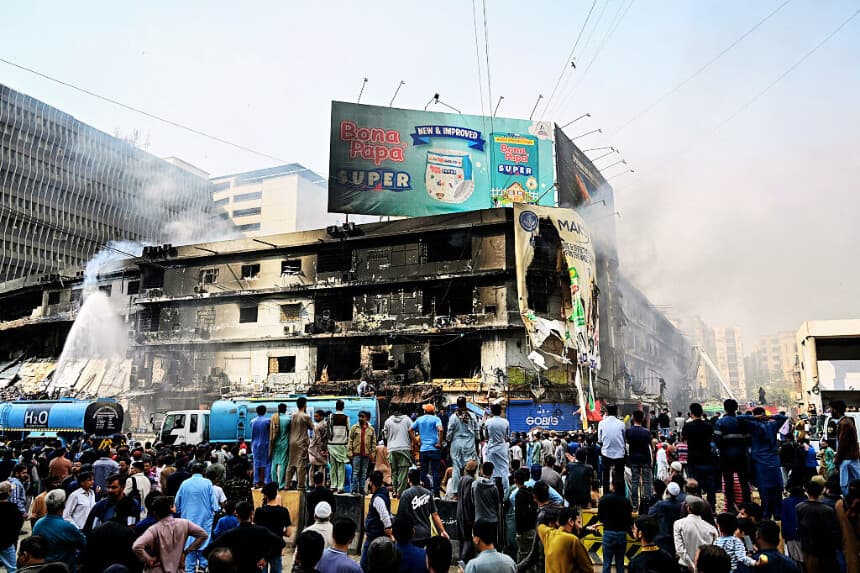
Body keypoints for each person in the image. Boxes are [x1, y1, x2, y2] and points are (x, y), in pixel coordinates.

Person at [132, 495, 209, 573]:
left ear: (155, 513)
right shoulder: (184, 523)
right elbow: (203, 535)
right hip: (178, 568)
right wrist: (186, 552)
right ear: (170, 509)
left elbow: (137, 546)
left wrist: (149, 560)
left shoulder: (154, 530)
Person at [207, 501, 285, 573]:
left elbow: (208, 551)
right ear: (252, 514)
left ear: (236, 515)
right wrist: (266, 558)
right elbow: (280, 543)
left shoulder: (230, 534)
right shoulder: (261, 531)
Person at [739, 407, 786, 520]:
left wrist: (752, 417)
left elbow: (739, 418)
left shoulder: (753, 426)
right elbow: (784, 417)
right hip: (773, 462)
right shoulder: (773, 426)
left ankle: (766, 515)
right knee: (777, 489)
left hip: (760, 463)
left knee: (764, 491)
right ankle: (778, 515)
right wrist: (771, 416)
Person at [175, 463, 220, 573]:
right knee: (204, 543)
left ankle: (190, 569)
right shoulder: (207, 483)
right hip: (205, 520)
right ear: (203, 472)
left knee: (188, 546)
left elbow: (177, 503)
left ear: (191, 471)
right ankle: (202, 568)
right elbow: (214, 504)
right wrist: (217, 510)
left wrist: (181, 510)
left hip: (187, 520)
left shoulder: (184, 484)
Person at [31, 490, 86, 571]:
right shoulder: (67, 527)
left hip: (44, 568)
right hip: (63, 568)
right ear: (62, 507)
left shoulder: (38, 523)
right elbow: (83, 543)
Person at [713, 399, 750, 513]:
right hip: (741, 456)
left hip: (726, 456)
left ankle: (730, 507)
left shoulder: (720, 422)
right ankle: (747, 506)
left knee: (729, 483)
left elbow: (717, 440)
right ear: (736, 408)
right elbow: (748, 438)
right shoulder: (742, 422)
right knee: (744, 482)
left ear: (725, 408)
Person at [796, 478, 841, 572]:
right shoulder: (827, 509)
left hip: (809, 549)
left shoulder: (799, 507)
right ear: (821, 492)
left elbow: (799, 529)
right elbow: (831, 530)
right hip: (826, 549)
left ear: (807, 492)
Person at [397, 469, 448, 548]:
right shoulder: (428, 493)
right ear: (419, 479)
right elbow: (435, 514)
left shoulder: (406, 494)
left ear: (409, 479)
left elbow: (401, 516)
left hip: (412, 535)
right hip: (426, 533)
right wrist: (443, 531)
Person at [536, 506, 592, 573]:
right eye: (579, 522)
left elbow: (540, 526)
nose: (580, 527)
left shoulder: (548, 534)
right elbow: (588, 569)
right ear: (571, 521)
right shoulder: (573, 540)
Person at [254, 482, 293, 573]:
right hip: (276, 549)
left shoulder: (259, 511)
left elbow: (255, 531)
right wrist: (279, 532)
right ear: (276, 495)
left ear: (265, 496)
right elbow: (289, 533)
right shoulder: (283, 511)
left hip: (262, 550)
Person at [683, 403, 716, 508]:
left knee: (694, 484)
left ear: (691, 414)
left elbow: (683, 439)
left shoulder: (688, 426)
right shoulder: (708, 426)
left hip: (693, 458)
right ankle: (711, 506)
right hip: (707, 458)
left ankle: (697, 506)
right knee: (710, 484)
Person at [673, 496, 718, 572]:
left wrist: (692, 566)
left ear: (688, 508)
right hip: (704, 568)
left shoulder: (679, 524)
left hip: (686, 567)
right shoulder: (711, 528)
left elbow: (680, 549)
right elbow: (714, 550)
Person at [447, 397, 479, 500]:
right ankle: (471, 491)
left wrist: (448, 441)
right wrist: (476, 441)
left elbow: (449, 433)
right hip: (469, 443)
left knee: (456, 469)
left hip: (456, 444)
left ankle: (456, 493)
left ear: (457, 404)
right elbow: (477, 431)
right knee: (471, 468)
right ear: (466, 404)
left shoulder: (453, 417)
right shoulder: (472, 416)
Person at [597, 479, 632, 573]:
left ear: (613, 486)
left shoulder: (604, 499)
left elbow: (600, 517)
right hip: (621, 534)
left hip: (608, 533)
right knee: (620, 563)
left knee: (607, 563)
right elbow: (629, 520)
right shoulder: (626, 501)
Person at [361, 471, 393, 571]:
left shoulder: (378, 498)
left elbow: (384, 515)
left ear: (371, 482)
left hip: (374, 534)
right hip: (375, 533)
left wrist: (388, 528)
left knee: (364, 562)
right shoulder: (383, 492)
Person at [412, 405, 444, 497]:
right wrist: (439, 443)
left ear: (425, 411)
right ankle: (437, 494)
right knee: (435, 472)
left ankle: (423, 492)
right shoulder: (436, 419)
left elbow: (410, 430)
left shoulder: (419, 419)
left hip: (423, 449)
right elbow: (441, 430)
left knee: (423, 472)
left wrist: (416, 442)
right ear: (433, 411)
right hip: (434, 449)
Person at [382, 407, 413, 497]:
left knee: (394, 471)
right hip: (404, 447)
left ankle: (394, 491)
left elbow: (385, 436)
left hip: (392, 448)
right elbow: (412, 432)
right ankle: (400, 492)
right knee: (403, 472)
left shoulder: (388, 421)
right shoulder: (407, 420)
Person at [830, 400, 860, 494]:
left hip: (847, 459)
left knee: (844, 485)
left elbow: (842, 444)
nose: (830, 411)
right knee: (854, 482)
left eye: (831, 409)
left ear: (835, 410)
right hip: (849, 457)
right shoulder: (846, 422)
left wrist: (837, 460)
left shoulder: (844, 424)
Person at [625, 410, 653, 509]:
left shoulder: (629, 431)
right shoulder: (646, 432)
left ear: (633, 418)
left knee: (635, 481)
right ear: (643, 419)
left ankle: (635, 504)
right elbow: (650, 445)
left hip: (633, 459)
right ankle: (647, 503)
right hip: (645, 458)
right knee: (647, 481)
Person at [482, 404, 511, 498]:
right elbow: (506, 437)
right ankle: (506, 494)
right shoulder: (505, 422)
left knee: (492, 470)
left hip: (491, 448)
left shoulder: (488, 422)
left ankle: (492, 492)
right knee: (504, 470)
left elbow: (486, 437)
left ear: (492, 411)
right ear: (501, 411)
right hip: (502, 448)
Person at [597, 404, 625, 493]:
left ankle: (606, 494)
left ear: (607, 412)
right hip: (619, 454)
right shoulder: (621, 424)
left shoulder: (601, 423)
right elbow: (624, 439)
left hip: (606, 452)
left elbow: (600, 439)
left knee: (605, 475)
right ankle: (620, 494)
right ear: (616, 412)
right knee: (619, 475)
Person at [286, 397, 314, 490]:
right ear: (305, 405)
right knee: (301, 464)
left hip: (292, 442)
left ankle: (287, 484)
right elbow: (312, 427)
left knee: (291, 464)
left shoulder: (293, 416)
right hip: (301, 442)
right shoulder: (306, 416)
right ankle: (300, 485)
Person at [348, 411, 376, 496]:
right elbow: (350, 440)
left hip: (366, 454)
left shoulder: (371, 429)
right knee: (356, 472)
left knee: (364, 473)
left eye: (362, 416)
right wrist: (350, 452)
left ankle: (362, 489)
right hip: (356, 453)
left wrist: (372, 454)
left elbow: (373, 443)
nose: (360, 418)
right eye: (359, 416)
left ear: (366, 418)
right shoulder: (354, 428)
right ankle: (354, 489)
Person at [456, 460, 479, 562]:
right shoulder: (470, 480)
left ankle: (462, 559)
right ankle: (463, 560)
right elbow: (467, 498)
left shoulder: (462, 478)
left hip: (459, 511)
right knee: (467, 539)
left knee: (462, 538)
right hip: (466, 513)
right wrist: (470, 516)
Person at [327, 401, 351, 494]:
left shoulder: (330, 417)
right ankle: (340, 487)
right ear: (343, 407)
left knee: (333, 467)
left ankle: (333, 486)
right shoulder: (346, 418)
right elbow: (348, 431)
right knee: (341, 467)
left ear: (336, 407)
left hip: (331, 445)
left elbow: (327, 431)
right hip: (341, 445)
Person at [0, 481, 24, 572]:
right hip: (7, 543)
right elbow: (18, 525)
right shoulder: (13, 509)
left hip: (6, 541)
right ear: (9, 493)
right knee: (12, 569)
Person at [269, 403, 291, 489]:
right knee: (283, 463)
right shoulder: (288, 419)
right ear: (285, 409)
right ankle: (281, 484)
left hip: (275, 443)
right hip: (284, 443)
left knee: (274, 463)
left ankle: (274, 482)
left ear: (278, 409)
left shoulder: (273, 418)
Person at [251, 405, 272, 487]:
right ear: (265, 411)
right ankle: (267, 481)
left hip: (255, 445)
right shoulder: (268, 421)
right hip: (265, 444)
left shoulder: (252, 421)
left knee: (256, 463)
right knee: (267, 463)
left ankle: (256, 482)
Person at [309, 410, 330, 483]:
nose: (315, 418)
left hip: (315, 450)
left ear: (322, 416)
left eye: (317, 416)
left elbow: (318, 439)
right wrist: (325, 449)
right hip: (323, 450)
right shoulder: (327, 425)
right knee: (322, 469)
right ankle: (322, 484)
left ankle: (311, 484)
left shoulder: (317, 426)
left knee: (312, 468)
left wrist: (321, 449)